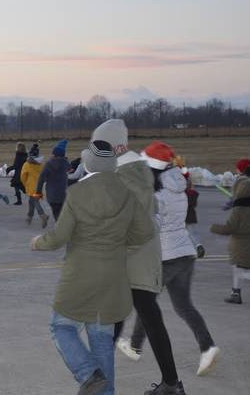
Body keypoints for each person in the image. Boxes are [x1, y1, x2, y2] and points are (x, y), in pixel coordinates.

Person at [30, 140, 155, 395]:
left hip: (81, 276)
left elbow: (60, 236)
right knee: (101, 340)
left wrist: (38, 242)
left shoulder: (77, 192)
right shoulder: (126, 192)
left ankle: (87, 373)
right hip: (113, 279)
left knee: (61, 326)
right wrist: (120, 243)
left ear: (89, 162)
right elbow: (145, 232)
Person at [92, 120, 186, 395]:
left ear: (116, 147)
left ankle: (100, 382)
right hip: (138, 257)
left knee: (120, 319)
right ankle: (170, 384)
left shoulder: (128, 173)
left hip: (132, 258)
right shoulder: (132, 169)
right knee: (134, 318)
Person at [128, 141, 220, 377]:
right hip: (184, 253)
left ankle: (135, 345)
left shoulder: (156, 192)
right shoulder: (177, 184)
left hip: (165, 256)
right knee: (183, 306)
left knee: (145, 300)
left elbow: (152, 225)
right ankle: (207, 347)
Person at [211, 176, 250, 304]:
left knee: (241, 271)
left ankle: (236, 294)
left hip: (241, 245)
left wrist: (214, 228)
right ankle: (235, 293)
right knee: (238, 269)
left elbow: (230, 228)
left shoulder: (239, 209)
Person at [36, 139, 70, 220]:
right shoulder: (66, 163)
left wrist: (38, 193)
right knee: (62, 215)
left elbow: (41, 179)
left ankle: (60, 228)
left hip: (52, 196)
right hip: (63, 195)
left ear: (54, 154)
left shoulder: (48, 164)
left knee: (57, 214)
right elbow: (71, 171)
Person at [20, 144, 48, 228]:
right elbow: (45, 175)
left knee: (35, 201)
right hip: (39, 187)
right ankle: (29, 216)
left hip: (31, 187)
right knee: (31, 201)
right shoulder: (41, 165)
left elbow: (23, 176)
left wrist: (25, 184)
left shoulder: (27, 165)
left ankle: (43, 215)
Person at [183, 170, 206, 258]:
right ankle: (199, 246)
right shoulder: (193, 194)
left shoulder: (181, 194)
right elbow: (194, 204)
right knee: (193, 233)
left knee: (183, 234)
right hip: (191, 215)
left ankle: (186, 251)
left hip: (182, 216)